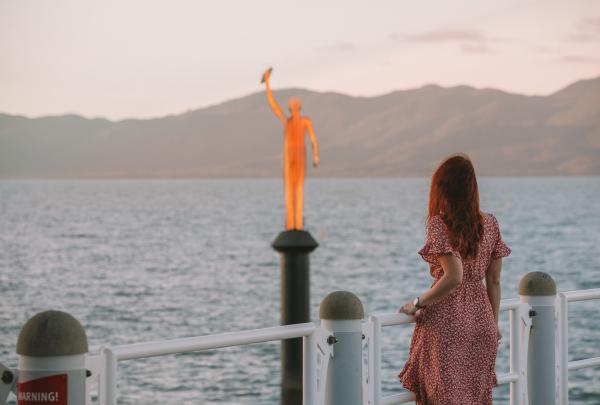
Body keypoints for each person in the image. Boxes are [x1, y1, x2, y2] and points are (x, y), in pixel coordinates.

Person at [398, 154, 511, 405]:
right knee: (474, 398)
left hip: (448, 323)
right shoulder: (490, 223)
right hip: (482, 323)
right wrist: (492, 323)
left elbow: (454, 277)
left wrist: (417, 303)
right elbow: (493, 281)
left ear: (442, 187)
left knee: (443, 398)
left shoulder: (439, 223)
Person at [261, 67, 319, 230]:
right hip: (289, 159)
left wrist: (316, 156)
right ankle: (290, 223)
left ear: (299, 107)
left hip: (300, 158)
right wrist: (267, 84)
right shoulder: (287, 122)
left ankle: (298, 224)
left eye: (296, 105)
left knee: (298, 190)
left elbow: (313, 139)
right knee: (289, 191)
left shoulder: (305, 121)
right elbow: (273, 105)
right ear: (290, 108)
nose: (293, 107)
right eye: (291, 106)